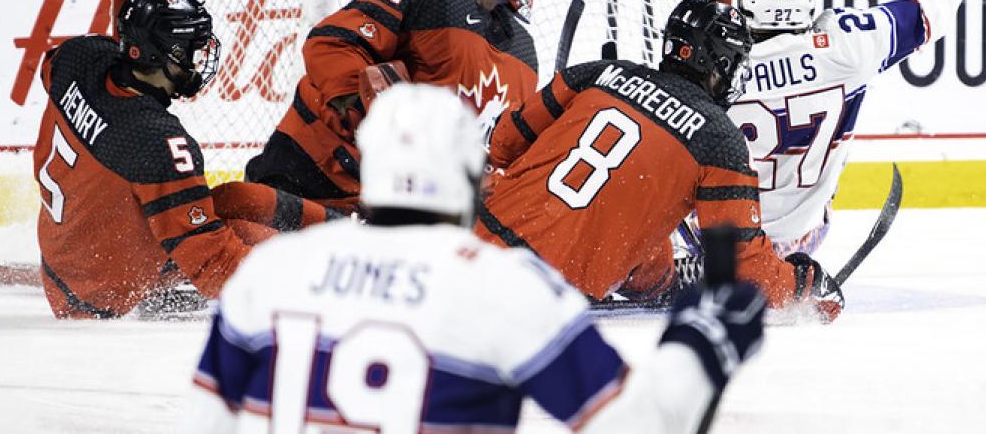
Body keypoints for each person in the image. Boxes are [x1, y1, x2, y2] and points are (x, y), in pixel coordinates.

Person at [186, 82, 766, 433]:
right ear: (465, 174)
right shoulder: (506, 288)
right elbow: (638, 426)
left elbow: (209, 421)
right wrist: (702, 344)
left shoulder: (273, 272)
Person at [477, 0, 844, 322]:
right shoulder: (720, 140)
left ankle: (665, 278)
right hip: (539, 297)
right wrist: (805, 283)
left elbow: (505, 140)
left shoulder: (599, 72)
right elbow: (745, 272)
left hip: (471, 247)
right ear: (716, 64)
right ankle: (666, 282)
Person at [32, 0, 332, 319]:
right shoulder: (156, 140)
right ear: (151, 55)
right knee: (247, 233)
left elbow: (51, 70)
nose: (197, 60)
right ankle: (338, 273)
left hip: (68, 253)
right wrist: (303, 285)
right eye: (188, 50)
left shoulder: (79, 57)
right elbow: (215, 267)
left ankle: (348, 229)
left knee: (237, 196)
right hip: (96, 300)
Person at [728, 0, 986, 257]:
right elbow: (928, 10)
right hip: (803, 238)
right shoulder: (846, 45)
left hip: (719, 240)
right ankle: (783, 272)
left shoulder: (718, 62)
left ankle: (672, 268)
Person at [245, 0, 543, 214]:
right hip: (315, 174)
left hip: (404, 204)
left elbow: (498, 142)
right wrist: (378, 128)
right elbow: (331, 44)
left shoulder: (524, 50)